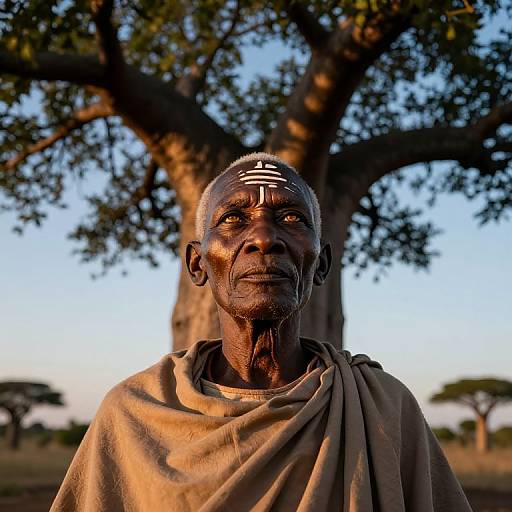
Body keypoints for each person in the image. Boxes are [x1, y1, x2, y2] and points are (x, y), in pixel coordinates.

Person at [51, 153, 471, 511]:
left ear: (321, 264)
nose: (264, 238)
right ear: (197, 264)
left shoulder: (382, 406)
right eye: (234, 218)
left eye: (290, 217)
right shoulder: (133, 412)